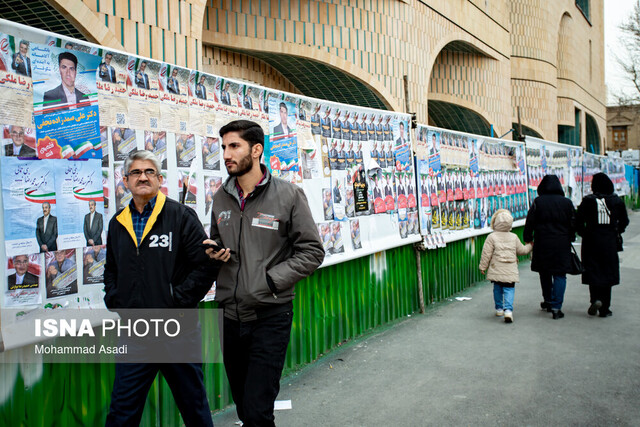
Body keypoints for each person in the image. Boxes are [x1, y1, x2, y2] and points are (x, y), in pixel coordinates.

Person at [206, 120, 324, 426]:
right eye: (224, 147)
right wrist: (215, 251)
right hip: (230, 316)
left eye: (235, 146)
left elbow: (312, 251)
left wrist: (271, 280)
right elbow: (217, 241)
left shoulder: (288, 195)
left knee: (258, 410)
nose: (227, 154)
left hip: (270, 315)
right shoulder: (221, 197)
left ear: (256, 150)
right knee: (245, 407)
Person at [103, 150, 219, 426]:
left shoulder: (180, 216)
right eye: (136, 172)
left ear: (159, 179)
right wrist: (116, 300)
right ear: (125, 180)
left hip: (177, 332)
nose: (143, 177)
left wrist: (175, 301)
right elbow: (111, 270)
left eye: (149, 172)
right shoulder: (118, 223)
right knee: (121, 412)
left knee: (194, 408)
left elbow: (206, 266)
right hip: (135, 335)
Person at [576, 173, 629, 317]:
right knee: (608, 271)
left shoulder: (588, 201)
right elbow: (624, 221)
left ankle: (595, 299)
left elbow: (578, 220)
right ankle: (605, 307)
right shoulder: (616, 201)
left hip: (591, 241)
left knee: (593, 270)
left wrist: (584, 233)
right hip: (609, 241)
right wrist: (617, 231)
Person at [523, 174, 575, 319]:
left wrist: (528, 239)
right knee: (560, 274)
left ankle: (548, 300)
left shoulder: (538, 202)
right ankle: (557, 307)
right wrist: (571, 238)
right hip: (562, 243)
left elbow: (530, 222)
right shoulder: (567, 203)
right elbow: (573, 223)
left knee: (545, 272)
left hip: (543, 242)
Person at [479, 209, 532, 323]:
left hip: (496, 268)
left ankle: (499, 309)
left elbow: (486, 254)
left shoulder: (491, 237)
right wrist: (530, 246)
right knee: (509, 289)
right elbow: (522, 250)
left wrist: (483, 267)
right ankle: (508, 310)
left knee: (497, 288)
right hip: (510, 269)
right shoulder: (513, 237)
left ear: (495, 222)